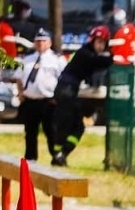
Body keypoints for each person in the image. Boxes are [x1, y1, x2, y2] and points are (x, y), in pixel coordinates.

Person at [47, 25, 113, 166]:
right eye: (99, 42)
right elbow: (99, 62)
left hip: (66, 90)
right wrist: (112, 57)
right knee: (75, 127)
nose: (101, 46)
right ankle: (61, 154)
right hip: (67, 91)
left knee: (68, 125)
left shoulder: (86, 53)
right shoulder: (85, 53)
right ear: (93, 41)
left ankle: (58, 155)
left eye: (103, 43)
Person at [16, 28, 65, 162]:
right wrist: (20, 93)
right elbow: (19, 77)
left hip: (48, 101)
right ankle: (31, 157)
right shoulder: (27, 59)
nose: (40, 44)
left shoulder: (57, 59)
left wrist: (58, 97)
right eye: (38, 41)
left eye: (43, 41)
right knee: (30, 132)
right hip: (30, 101)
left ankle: (56, 156)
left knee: (51, 131)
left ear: (49, 43)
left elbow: (63, 80)